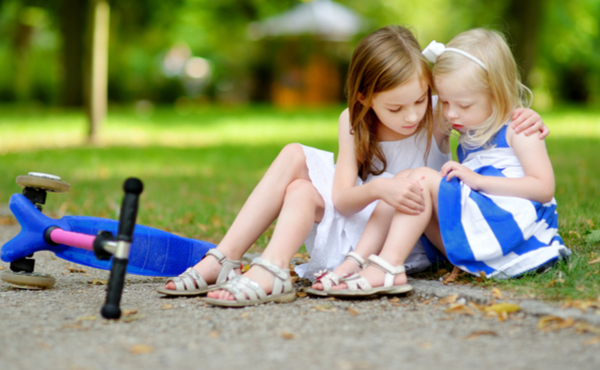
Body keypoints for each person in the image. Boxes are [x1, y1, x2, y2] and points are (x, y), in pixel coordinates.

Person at [157, 26, 546, 306]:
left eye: (420, 99)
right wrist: (379, 187)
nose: (411, 116)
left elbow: (482, 100)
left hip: (401, 230)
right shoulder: (353, 121)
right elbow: (343, 201)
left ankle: (258, 270)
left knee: (302, 183)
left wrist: (528, 116)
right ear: (365, 97)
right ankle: (233, 260)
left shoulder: (438, 112)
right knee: (296, 165)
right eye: (395, 107)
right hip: (358, 218)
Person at [327, 29, 569, 297]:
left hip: (507, 234)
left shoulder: (519, 128)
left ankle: (389, 266)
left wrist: (478, 181)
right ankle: (358, 260)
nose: (451, 113)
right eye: (444, 102)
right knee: (404, 180)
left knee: (419, 177)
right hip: (476, 234)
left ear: (497, 92)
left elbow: (544, 188)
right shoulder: (470, 127)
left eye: (464, 105)